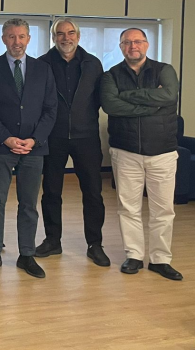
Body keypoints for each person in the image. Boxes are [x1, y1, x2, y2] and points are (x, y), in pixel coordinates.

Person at [0, 18, 57, 279]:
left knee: (28, 204)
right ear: (3, 39)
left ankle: (27, 254)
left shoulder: (43, 69)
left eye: (21, 36)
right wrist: (6, 138)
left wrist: (35, 139)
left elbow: (50, 110)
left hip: (34, 148)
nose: (17, 41)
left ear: (28, 39)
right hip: (1, 146)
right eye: (11, 36)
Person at [102, 28, 182, 280]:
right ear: (120, 47)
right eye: (127, 42)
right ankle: (134, 255)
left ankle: (160, 259)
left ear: (146, 44)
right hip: (125, 151)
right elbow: (110, 105)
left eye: (137, 41)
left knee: (163, 210)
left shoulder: (164, 70)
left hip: (162, 152)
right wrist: (150, 105)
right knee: (128, 208)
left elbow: (169, 95)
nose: (132, 46)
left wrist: (128, 97)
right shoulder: (111, 75)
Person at [35, 18, 109, 267]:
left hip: (86, 136)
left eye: (70, 33)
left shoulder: (93, 64)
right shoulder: (42, 64)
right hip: (52, 136)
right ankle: (52, 240)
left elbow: (99, 99)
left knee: (93, 192)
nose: (65, 38)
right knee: (51, 192)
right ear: (53, 37)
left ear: (78, 36)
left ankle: (95, 244)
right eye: (60, 34)